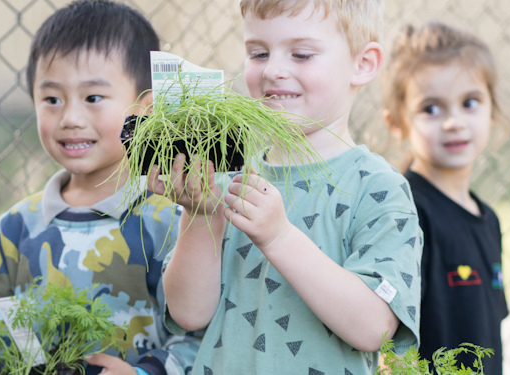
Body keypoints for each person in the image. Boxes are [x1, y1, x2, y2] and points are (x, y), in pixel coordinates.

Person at [156, 0, 423, 373]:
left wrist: (279, 237)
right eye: (259, 53)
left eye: (301, 54)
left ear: (362, 64)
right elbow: (189, 314)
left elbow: (375, 328)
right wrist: (200, 215)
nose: (273, 70)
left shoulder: (377, 188)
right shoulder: (228, 176)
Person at [0, 1, 200, 374]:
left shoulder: (171, 219)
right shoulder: (17, 227)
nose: (70, 118)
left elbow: (198, 337)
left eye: (93, 98)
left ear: (146, 108)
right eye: (52, 99)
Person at [382, 21, 507, 373]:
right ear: (397, 122)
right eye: (432, 109)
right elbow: (389, 344)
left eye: (469, 102)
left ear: (491, 108)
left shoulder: (489, 220)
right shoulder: (404, 211)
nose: (453, 122)